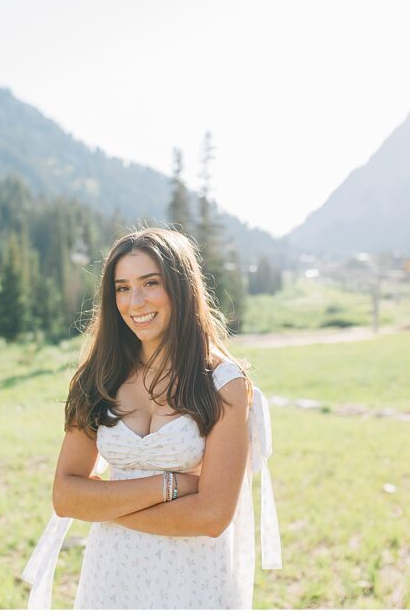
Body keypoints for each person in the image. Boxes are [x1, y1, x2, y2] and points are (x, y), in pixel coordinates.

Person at [22, 227, 281, 609]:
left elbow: (211, 516)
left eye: (150, 283)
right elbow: (65, 496)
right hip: (110, 577)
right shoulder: (99, 379)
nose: (135, 301)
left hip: (194, 580)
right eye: (122, 288)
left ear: (180, 288)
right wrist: (170, 485)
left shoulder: (224, 385)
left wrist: (104, 506)